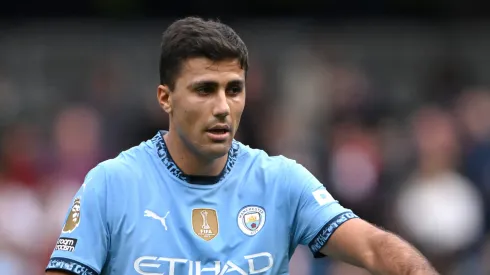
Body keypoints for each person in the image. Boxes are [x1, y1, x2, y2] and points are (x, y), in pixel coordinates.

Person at [45, 17, 438, 275]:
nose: (222, 107)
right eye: (204, 90)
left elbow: (374, 247)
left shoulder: (281, 182)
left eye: (234, 89)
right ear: (165, 98)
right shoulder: (112, 184)